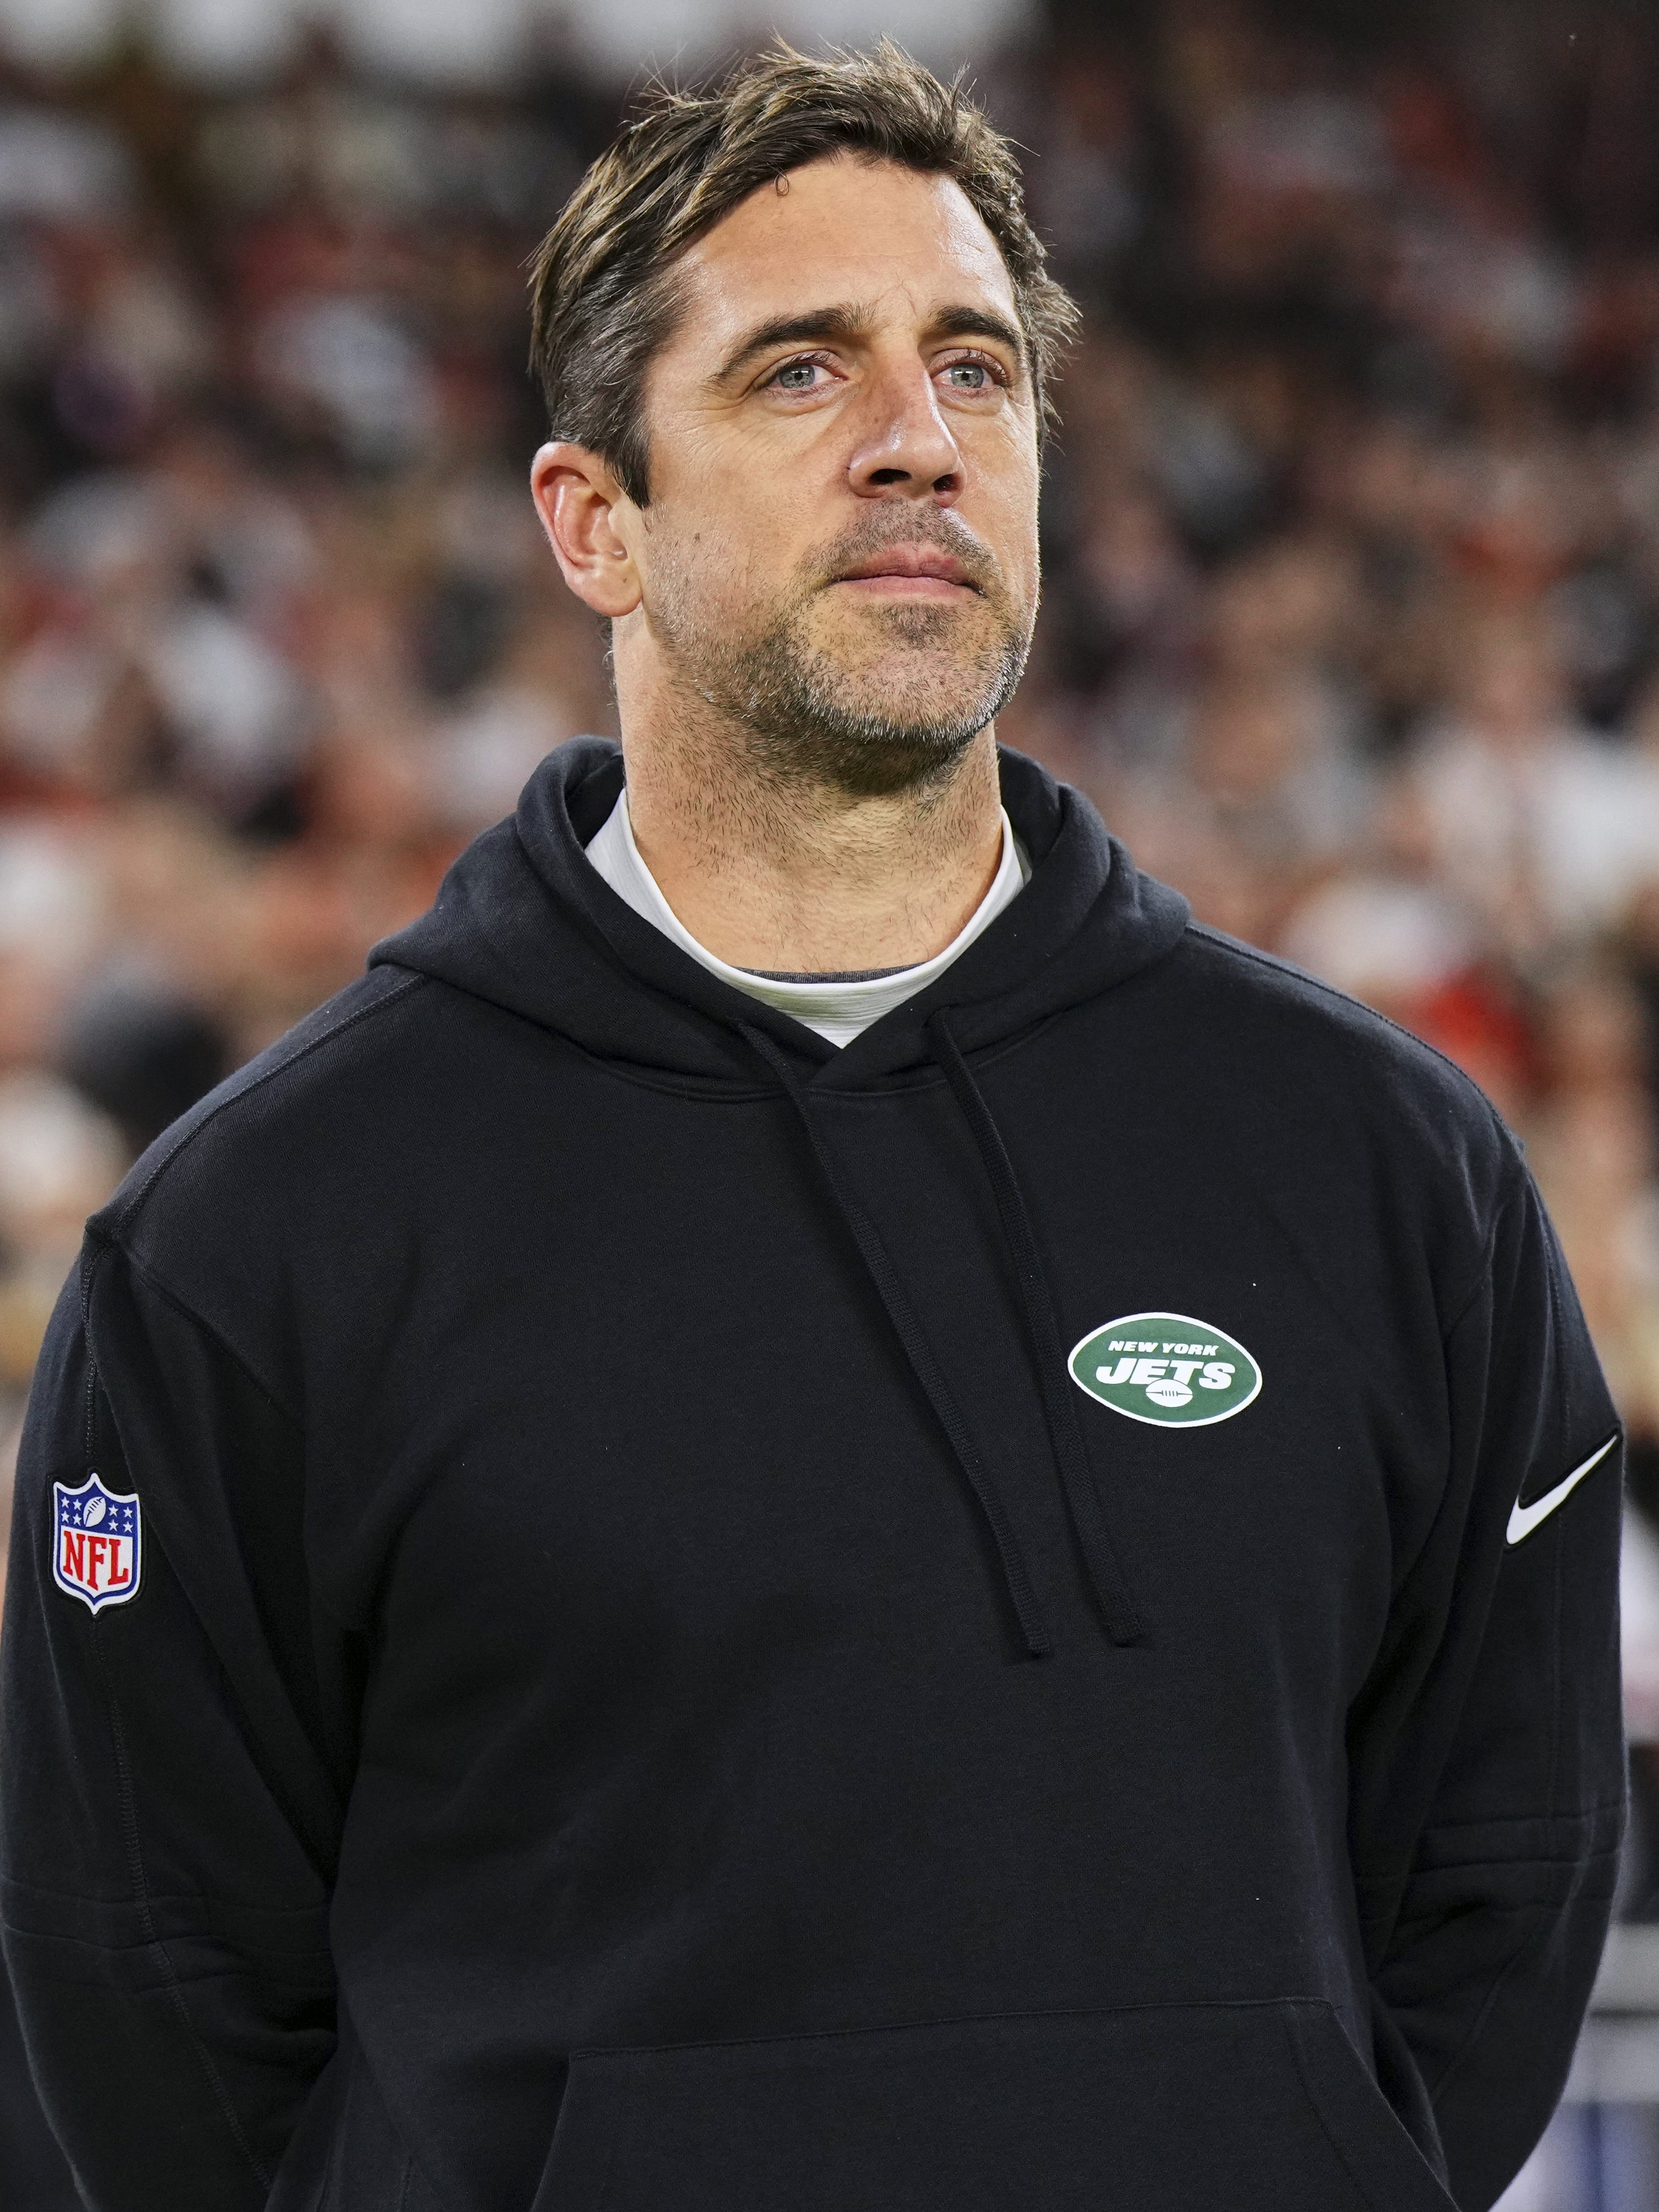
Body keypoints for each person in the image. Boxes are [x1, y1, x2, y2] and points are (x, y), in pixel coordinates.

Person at [0, 43, 1623, 2212]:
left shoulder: (1385, 1166)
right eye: (798, 372)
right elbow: (150, 1989)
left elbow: (1501, 1875)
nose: (918, 442)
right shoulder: (262, 1239)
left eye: (976, 367)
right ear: (596, 521)